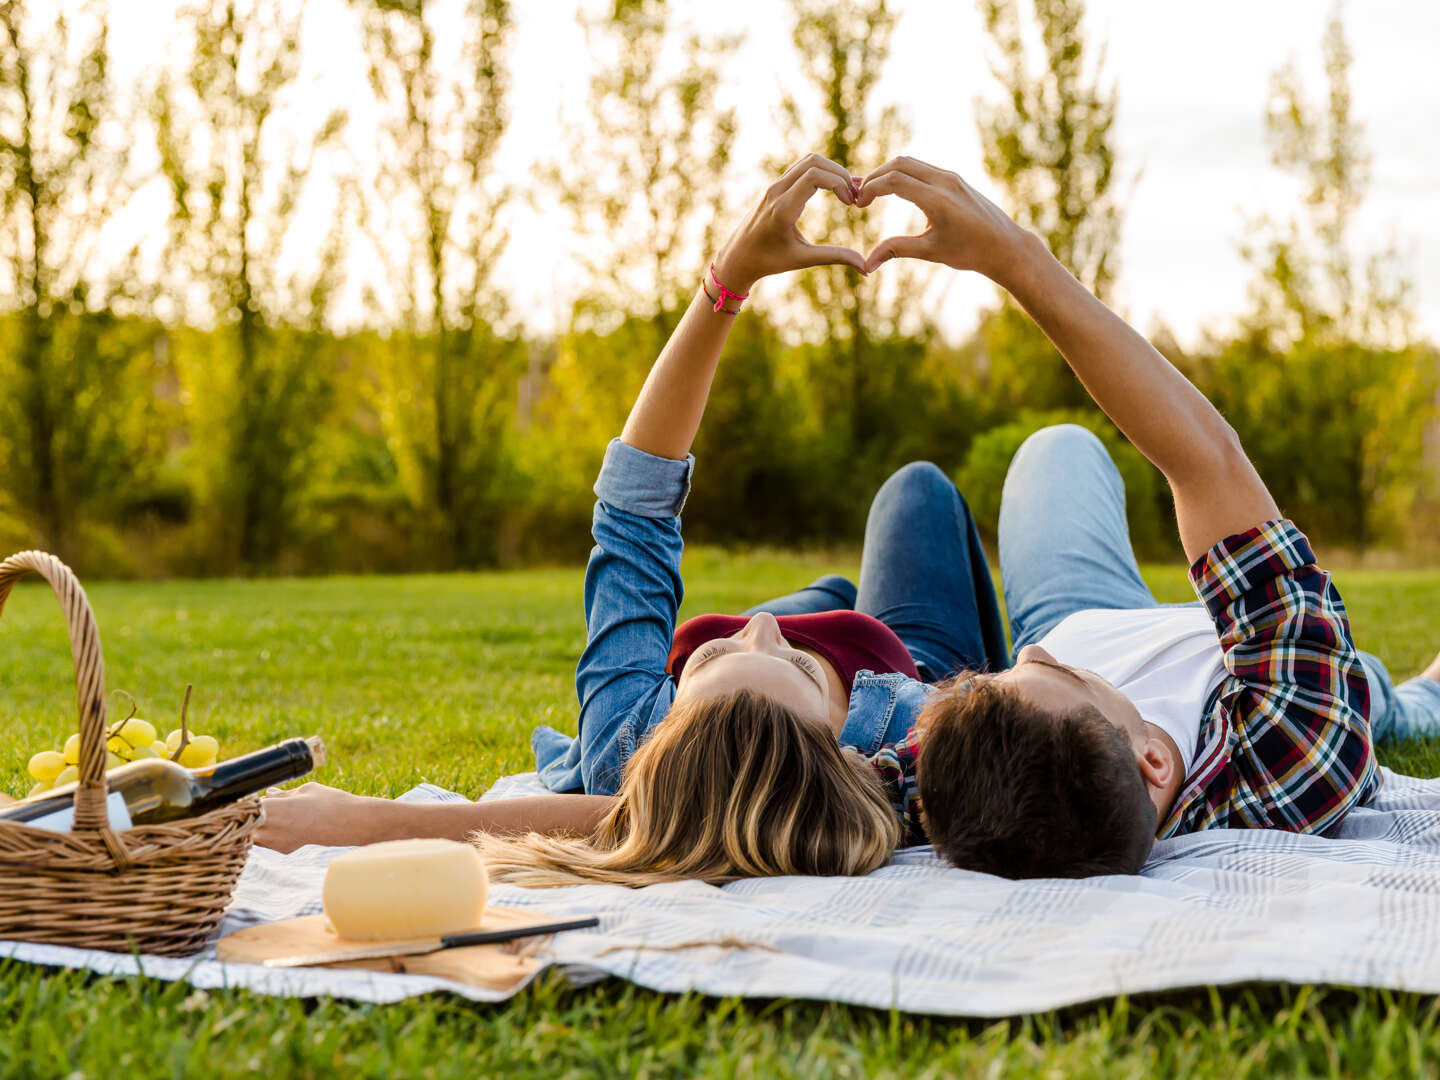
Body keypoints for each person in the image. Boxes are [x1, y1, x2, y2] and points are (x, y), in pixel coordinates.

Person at [256, 153, 1008, 876]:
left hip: (757, 695)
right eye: (798, 669)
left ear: (664, 729)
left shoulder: (627, 740)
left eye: (712, 659)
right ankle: (824, 631)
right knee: (915, 490)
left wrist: (728, 280)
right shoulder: (918, 739)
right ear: (846, 764)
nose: (762, 629)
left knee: (813, 602)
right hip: (905, 658)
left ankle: (799, 635)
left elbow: (635, 506)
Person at [842, 156, 1440, 880]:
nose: (1026, 656)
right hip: (1241, 660)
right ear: (1153, 761)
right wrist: (1016, 259)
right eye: (1055, 677)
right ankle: (1421, 695)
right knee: (1371, 691)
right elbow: (1204, 458)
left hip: (1083, 615)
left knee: (1054, 448)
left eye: (1000, 679)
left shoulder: (959, 782)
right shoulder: (1294, 745)